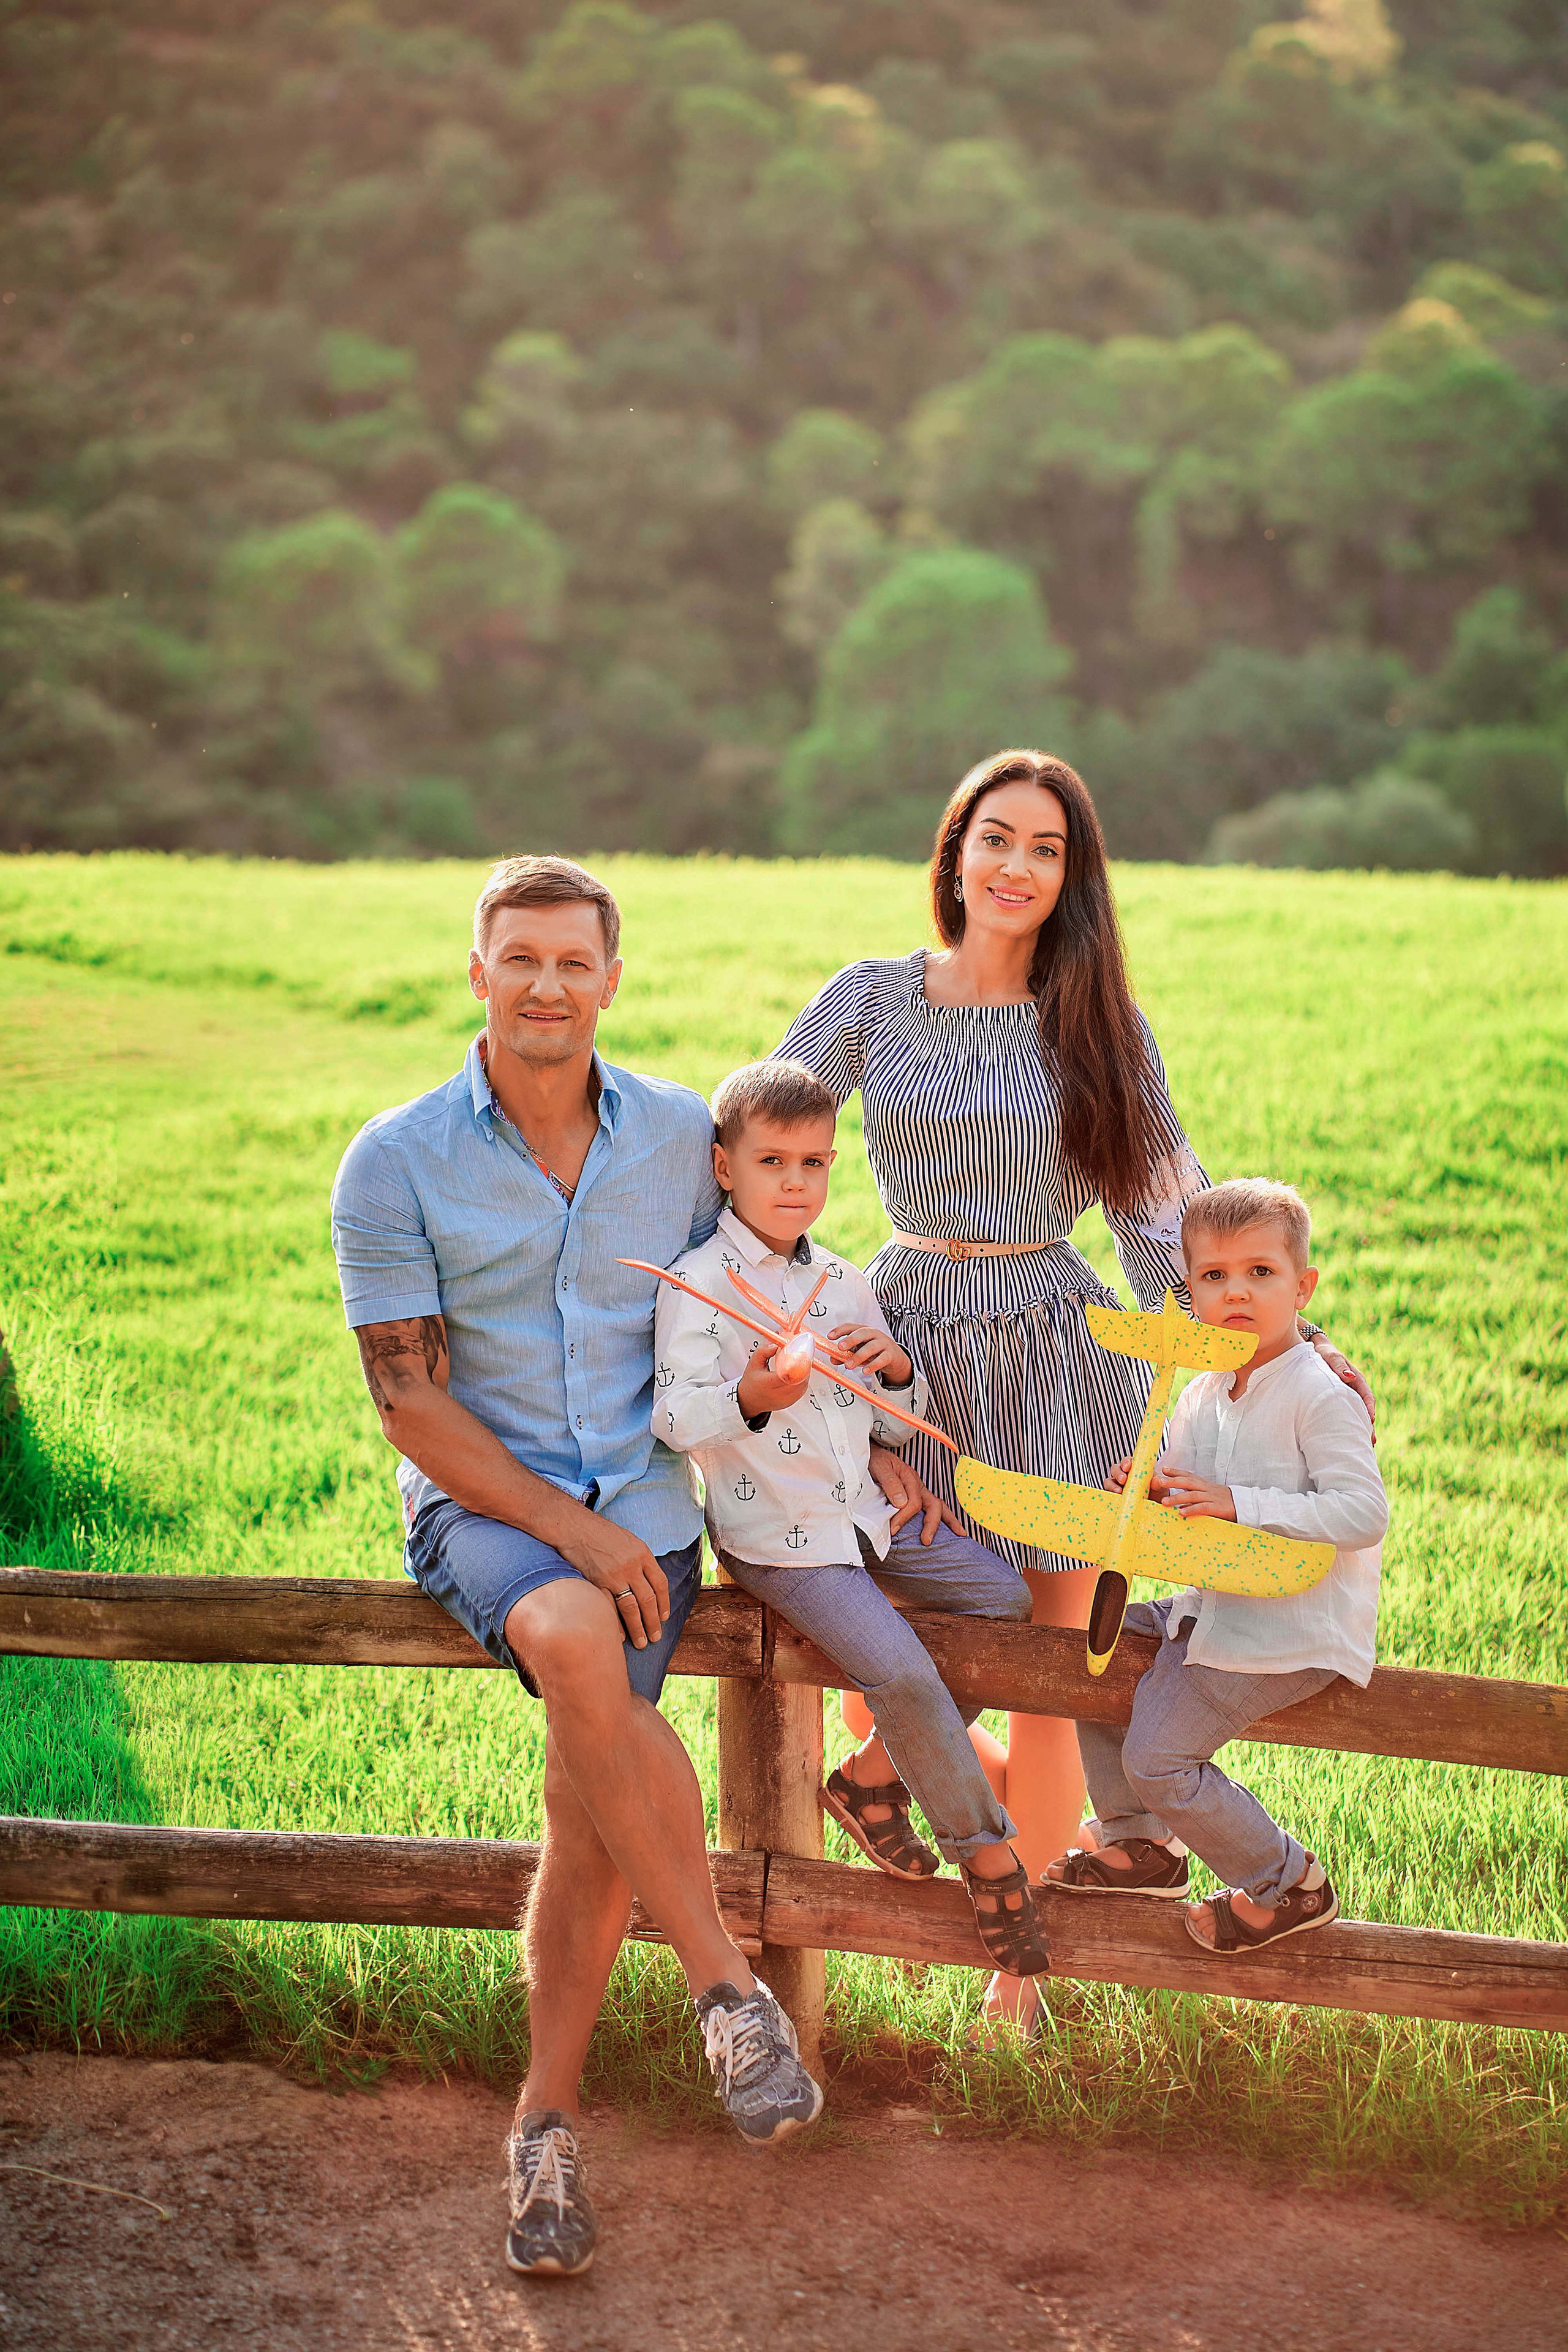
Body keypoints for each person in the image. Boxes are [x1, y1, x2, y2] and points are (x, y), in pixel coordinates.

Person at [777, 748, 1374, 2037]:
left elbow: (1165, 1214)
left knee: (1051, 1662)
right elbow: (764, 1140)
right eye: (994, 839)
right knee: (896, 1612)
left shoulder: (1092, 1027)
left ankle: (1015, 1978)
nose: (1015, 866)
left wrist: (1289, 1343)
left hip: (1052, 1343)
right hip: (906, 1340)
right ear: (952, 853)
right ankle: (890, 1779)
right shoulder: (871, 1000)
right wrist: (756, 1312)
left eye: (1045, 850)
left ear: (1070, 879)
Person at [329, 857, 827, 2285]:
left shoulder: (682, 1134)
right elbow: (412, 1404)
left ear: (612, 978)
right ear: (474, 971)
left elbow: (794, 1242)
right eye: (519, 956)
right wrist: (583, 1530)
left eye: (572, 959)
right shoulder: (398, 1156)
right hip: (490, 1509)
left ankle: (543, 2140)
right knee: (567, 1638)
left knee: (586, 1806)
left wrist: (1277, 1352)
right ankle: (726, 1991)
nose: (545, 981)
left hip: (652, 1505)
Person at [654, 1058, 1050, 1978]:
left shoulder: (841, 1280)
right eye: (774, 1163)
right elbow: (675, 1419)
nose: (797, 1183)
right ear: (725, 1167)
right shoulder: (697, 1283)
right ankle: (989, 1861)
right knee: (903, 1675)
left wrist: (896, 1373)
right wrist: (756, 1388)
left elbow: (871, 1415)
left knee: (1000, 1600)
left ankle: (870, 1784)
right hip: (778, 1539)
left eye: (816, 1164)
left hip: (864, 1515)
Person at [1043, 1178, 1387, 1953]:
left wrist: (1241, 1501)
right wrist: (1152, 1494)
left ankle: (1288, 1882)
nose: (1237, 1292)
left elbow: (1363, 1514)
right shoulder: (1202, 1391)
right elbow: (1190, 1497)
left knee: (1161, 1757)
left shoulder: (1317, 1394)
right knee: (1090, 1652)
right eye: (1214, 1276)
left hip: (1288, 1626)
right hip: (1218, 1604)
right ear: (1189, 1290)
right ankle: (1141, 1845)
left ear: (1303, 1287)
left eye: (1260, 1274)